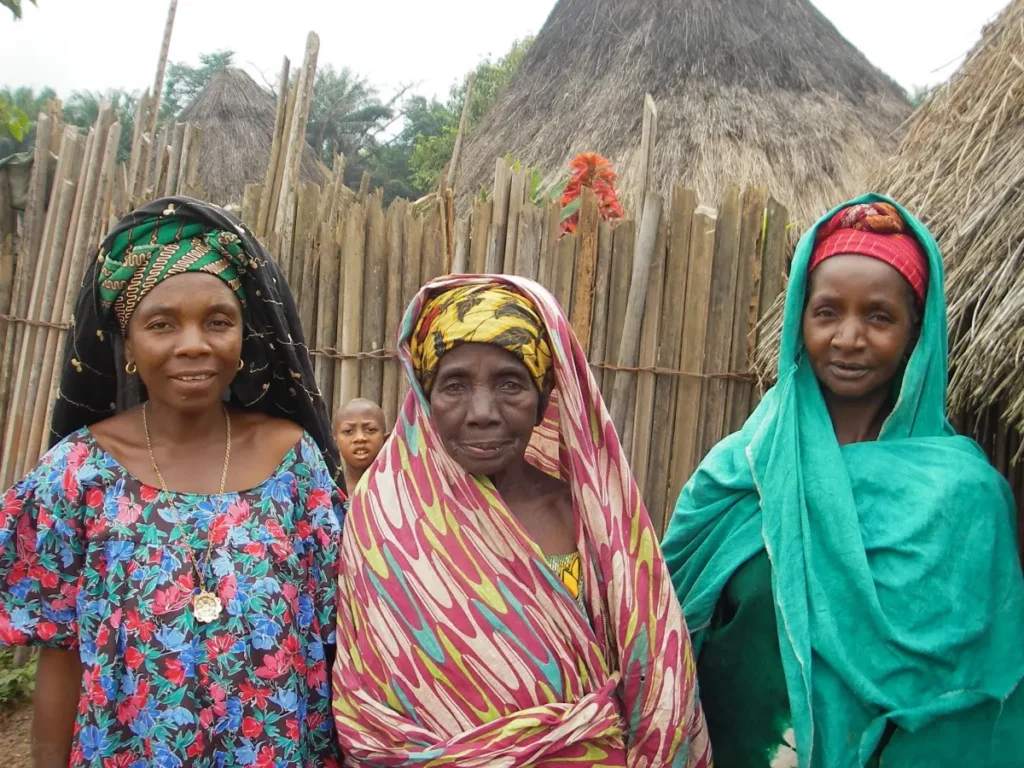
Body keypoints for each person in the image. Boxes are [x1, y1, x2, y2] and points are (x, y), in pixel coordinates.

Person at [662, 196, 1024, 767]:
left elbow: (976, 700)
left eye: (879, 317)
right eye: (827, 312)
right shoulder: (737, 472)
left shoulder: (964, 500)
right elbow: (667, 631)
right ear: (798, 321)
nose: (848, 338)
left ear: (916, 333)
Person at [0, 198, 344, 768]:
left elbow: (336, 640)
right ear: (127, 345)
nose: (193, 344)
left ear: (244, 338)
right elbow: (60, 653)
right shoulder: (76, 473)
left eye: (218, 321)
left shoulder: (295, 463)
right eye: (161, 324)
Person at [331, 275, 712, 766]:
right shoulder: (384, 520)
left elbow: (656, 677)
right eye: (454, 386)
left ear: (545, 394)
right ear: (425, 397)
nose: (483, 412)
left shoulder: (593, 520)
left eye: (511, 384)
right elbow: (367, 713)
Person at [333, 398, 386, 495]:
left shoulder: (398, 489)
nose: (360, 438)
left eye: (370, 430)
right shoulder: (327, 490)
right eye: (348, 431)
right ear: (335, 442)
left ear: (386, 439)